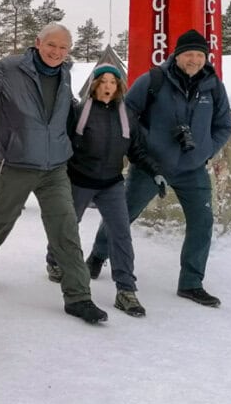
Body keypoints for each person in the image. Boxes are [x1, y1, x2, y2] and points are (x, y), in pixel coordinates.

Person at [0, 23, 108, 324]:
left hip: (55, 166)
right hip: (17, 161)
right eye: (51, 45)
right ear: (37, 42)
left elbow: (68, 109)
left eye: (63, 48)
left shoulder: (67, 73)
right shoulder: (12, 67)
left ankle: (78, 296)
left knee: (65, 228)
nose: (56, 52)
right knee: (1, 218)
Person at [86, 29, 231, 308]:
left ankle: (191, 283)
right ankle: (97, 255)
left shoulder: (213, 85)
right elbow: (127, 112)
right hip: (152, 166)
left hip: (193, 169)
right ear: (177, 55)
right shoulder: (154, 80)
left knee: (202, 223)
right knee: (123, 215)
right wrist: (146, 145)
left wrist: (205, 150)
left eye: (200, 55)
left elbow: (224, 124)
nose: (194, 60)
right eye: (188, 54)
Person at [54, 63, 165, 317]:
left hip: (112, 183)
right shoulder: (80, 111)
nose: (107, 86)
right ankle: (54, 261)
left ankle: (126, 289)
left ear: (119, 86)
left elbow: (136, 151)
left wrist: (155, 171)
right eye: (103, 81)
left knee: (120, 233)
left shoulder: (126, 116)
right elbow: (64, 143)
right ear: (94, 85)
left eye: (112, 82)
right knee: (68, 225)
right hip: (79, 181)